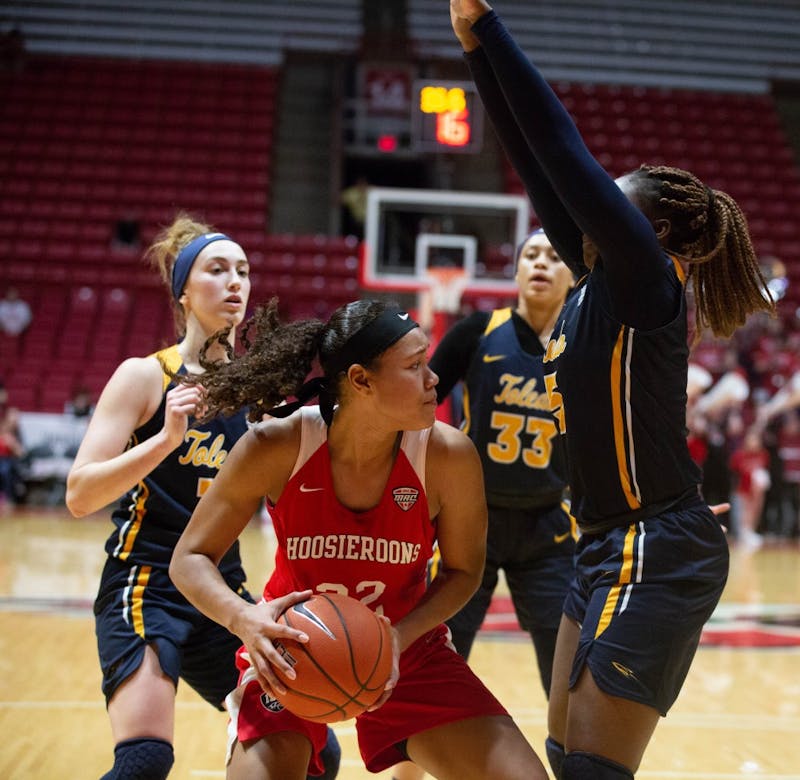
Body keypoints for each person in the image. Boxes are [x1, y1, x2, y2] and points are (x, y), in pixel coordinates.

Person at [448, 2, 775, 778]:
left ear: (653, 231)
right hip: (603, 537)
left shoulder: (647, 279)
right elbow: (539, 168)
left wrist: (490, 26)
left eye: (613, 195)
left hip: (654, 544)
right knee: (569, 756)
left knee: (592, 768)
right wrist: (472, 55)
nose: (594, 201)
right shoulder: (598, 277)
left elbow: (562, 152)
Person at [169, 298, 549, 780]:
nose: (433, 379)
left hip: (409, 652)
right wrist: (245, 619)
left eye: (427, 361)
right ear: (361, 381)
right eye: (414, 366)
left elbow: (464, 571)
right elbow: (190, 558)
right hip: (292, 651)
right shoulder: (277, 445)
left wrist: (397, 637)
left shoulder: (448, 456)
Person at [65, 214, 339, 780]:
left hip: (220, 589)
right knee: (145, 760)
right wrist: (166, 440)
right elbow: (80, 494)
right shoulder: (145, 377)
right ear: (183, 291)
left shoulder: (261, 397)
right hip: (145, 583)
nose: (235, 281)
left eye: (243, 270)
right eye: (217, 269)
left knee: (318, 757)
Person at [392, 229, 577, 780]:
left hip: (551, 525)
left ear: (573, 275)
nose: (541, 263)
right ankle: (405, 774)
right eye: (530, 255)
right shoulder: (479, 330)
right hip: (471, 520)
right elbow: (416, 396)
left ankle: (576, 765)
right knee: (435, 656)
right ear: (516, 271)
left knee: (566, 670)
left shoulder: (584, 343)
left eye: (553, 256)